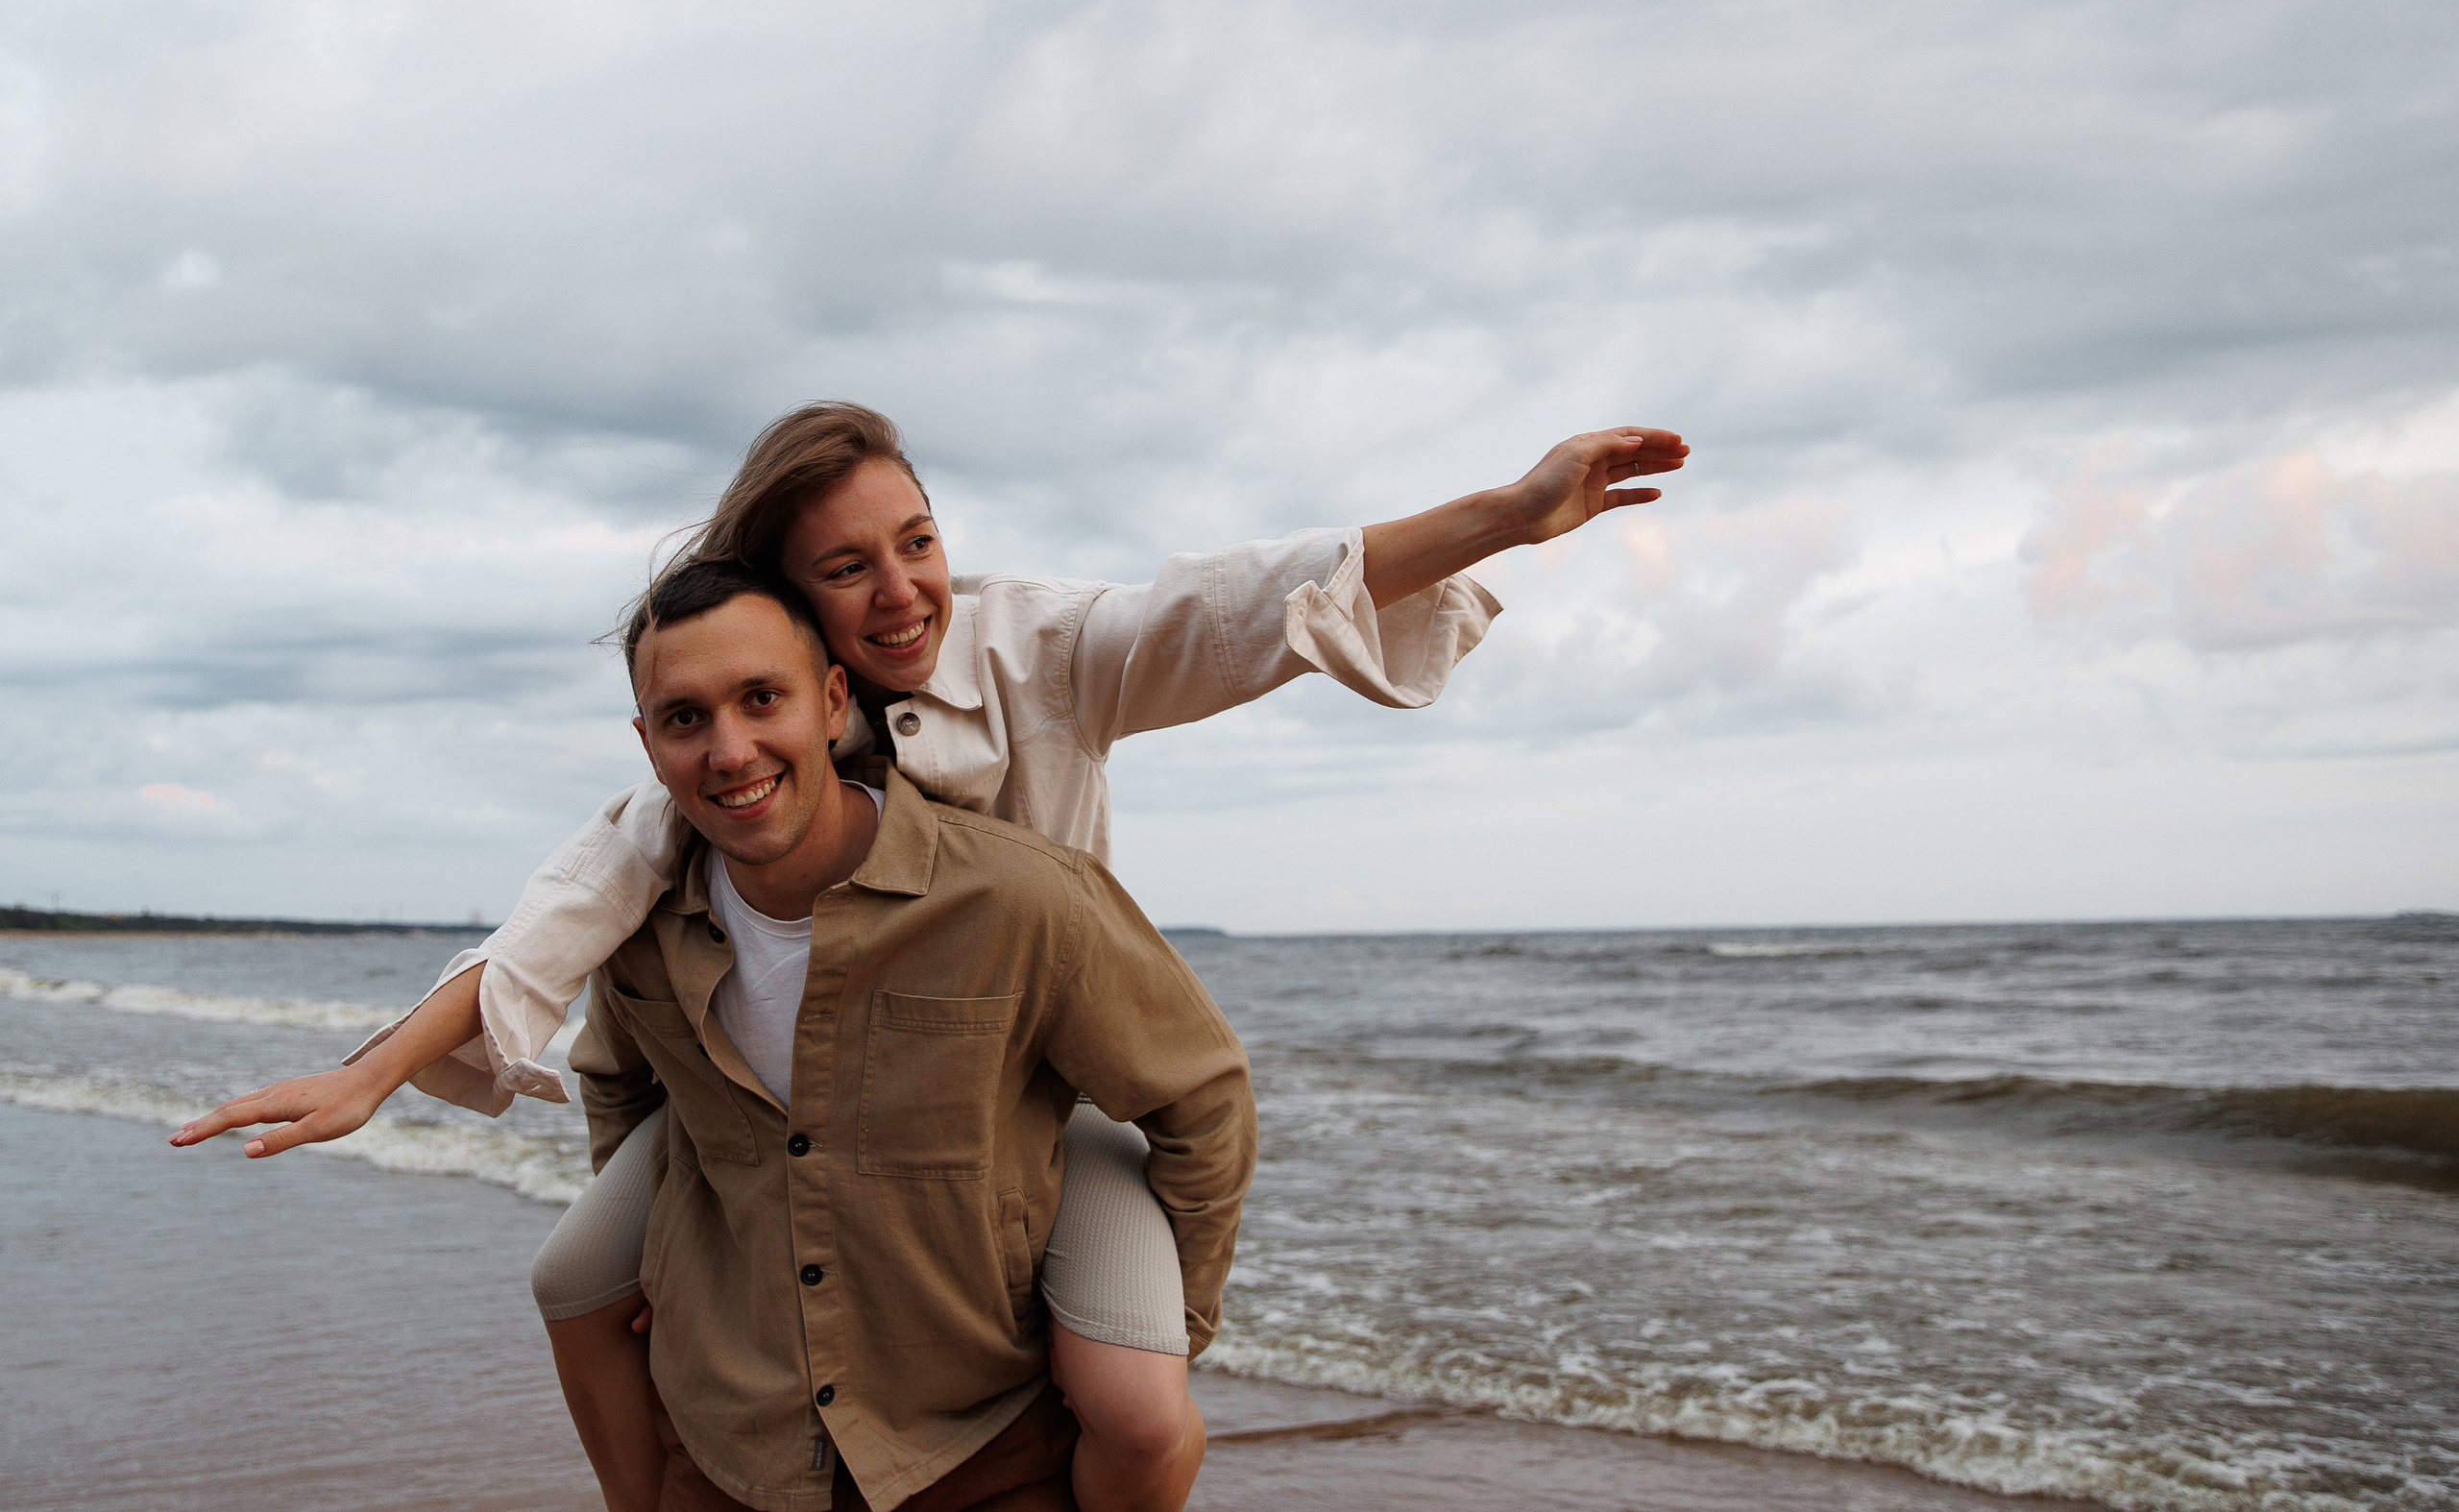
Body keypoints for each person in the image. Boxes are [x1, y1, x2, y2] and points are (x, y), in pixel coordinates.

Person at [171, 401, 1688, 1510]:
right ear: (785, 606)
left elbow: (1246, 603)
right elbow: (555, 926)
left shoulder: (1045, 650)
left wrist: (1509, 508)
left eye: (921, 543)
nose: (904, 591)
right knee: (578, 1271)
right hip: (813, 1097)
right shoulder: (730, 743)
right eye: (849, 567)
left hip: (1026, 1084)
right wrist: (373, 1072)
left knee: (1136, 1406)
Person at [596, 555, 1247, 1509]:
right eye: (685, 718)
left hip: (985, 1447)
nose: (729, 751)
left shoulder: (1024, 900)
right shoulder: (640, 927)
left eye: (761, 698)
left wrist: (1162, 1332)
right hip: (730, 1445)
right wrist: (664, 1267)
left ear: (829, 703)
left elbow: (1202, 1100)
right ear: (648, 743)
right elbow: (618, 1085)